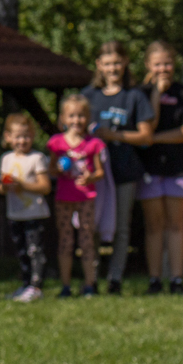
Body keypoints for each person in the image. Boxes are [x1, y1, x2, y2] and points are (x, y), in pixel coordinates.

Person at [81, 40, 155, 294]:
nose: (112, 68)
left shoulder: (134, 96)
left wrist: (113, 136)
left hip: (124, 170)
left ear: (125, 63)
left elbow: (146, 136)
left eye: (117, 63)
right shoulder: (88, 96)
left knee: (121, 227)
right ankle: (91, 279)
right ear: (99, 65)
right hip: (93, 174)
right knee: (91, 227)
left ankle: (115, 279)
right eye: (107, 63)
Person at [135, 41, 183, 295]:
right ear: (148, 65)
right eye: (158, 64)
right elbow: (147, 127)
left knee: (176, 225)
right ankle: (154, 280)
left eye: (167, 63)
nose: (163, 69)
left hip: (178, 167)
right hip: (149, 168)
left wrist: (157, 138)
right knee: (154, 226)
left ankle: (176, 280)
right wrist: (156, 94)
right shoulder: (140, 94)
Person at [46, 95, 107, 298]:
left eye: (81, 115)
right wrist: (59, 169)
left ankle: (89, 284)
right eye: (71, 115)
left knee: (86, 240)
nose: (76, 120)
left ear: (87, 117)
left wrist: (90, 178)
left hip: (86, 197)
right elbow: (51, 169)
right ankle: (66, 285)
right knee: (66, 241)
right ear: (63, 118)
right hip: (64, 197)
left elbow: (100, 172)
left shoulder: (94, 144)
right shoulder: (56, 143)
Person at [0, 113, 52, 302]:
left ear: (33, 136)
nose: (22, 141)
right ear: (8, 137)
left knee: (34, 251)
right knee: (21, 251)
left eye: (26, 136)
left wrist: (22, 185)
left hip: (34, 213)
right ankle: (25, 284)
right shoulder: (6, 159)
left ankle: (36, 287)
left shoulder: (37, 158)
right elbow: (1, 188)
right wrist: (5, 186)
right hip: (15, 213)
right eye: (18, 136)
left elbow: (45, 187)